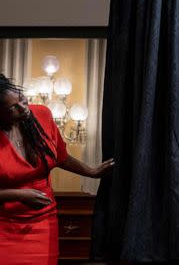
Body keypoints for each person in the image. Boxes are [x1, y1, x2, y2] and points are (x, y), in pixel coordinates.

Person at [0, 74, 114, 264]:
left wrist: (92, 172)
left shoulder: (42, 115)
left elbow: (60, 156)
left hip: (44, 220)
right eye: (13, 108)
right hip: (5, 224)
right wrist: (18, 195)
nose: (23, 107)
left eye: (21, 98)